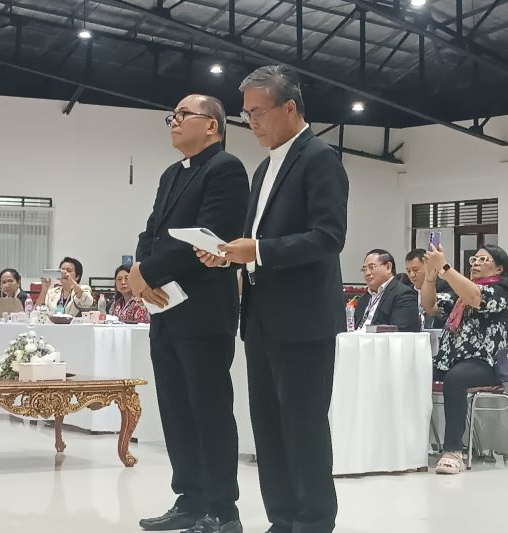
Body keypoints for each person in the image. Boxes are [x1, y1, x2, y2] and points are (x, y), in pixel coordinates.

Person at [197, 65, 347, 533]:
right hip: (262, 318)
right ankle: (282, 519)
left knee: (303, 426)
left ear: (290, 107)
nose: (251, 122)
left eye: (258, 112)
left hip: (303, 319)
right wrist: (230, 256)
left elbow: (329, 236)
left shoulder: (319, 158)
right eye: (246, 114)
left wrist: (258, 251)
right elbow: (255, 241)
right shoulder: (264, 167)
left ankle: (314, 522)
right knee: (268, 426)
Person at [131, 94, 248, 533]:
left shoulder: (226, 169)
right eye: (172, 116)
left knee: (209, 409)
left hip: (203, 309)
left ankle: (222, 509)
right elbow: (152, 231)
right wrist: (138, 270)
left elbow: (208, 237)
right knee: (176, 409)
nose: (173, 122)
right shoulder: (171, 174)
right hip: (165, 308)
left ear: (212, 125)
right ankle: (190, 499)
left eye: (183, 115)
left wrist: (148, 272)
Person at [422, 244, 508, 475]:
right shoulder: (460, 292)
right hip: (451, 359)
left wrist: (445, 268)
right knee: (416, 371)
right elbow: (430, 306)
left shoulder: (501, 292)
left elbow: (475, 297)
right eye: (474, 259)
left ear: (499, 268)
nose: (476, 263)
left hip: (487, 363)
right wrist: (430, 276)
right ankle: (410, 443)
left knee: (455, 378)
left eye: (483, 260)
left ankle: (453, 451)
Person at [353, 249, 420, 332]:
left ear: (388, 267)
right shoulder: (363, 299)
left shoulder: (404, 295)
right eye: (364, 269)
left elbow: (400, 333)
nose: (367, 273)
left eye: (372, 267)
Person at [404, 248, 451, 329]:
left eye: (415, 270)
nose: (412, 275)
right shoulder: (406, 292)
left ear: (428, 267)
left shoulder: (445, 287)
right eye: (408, 271)